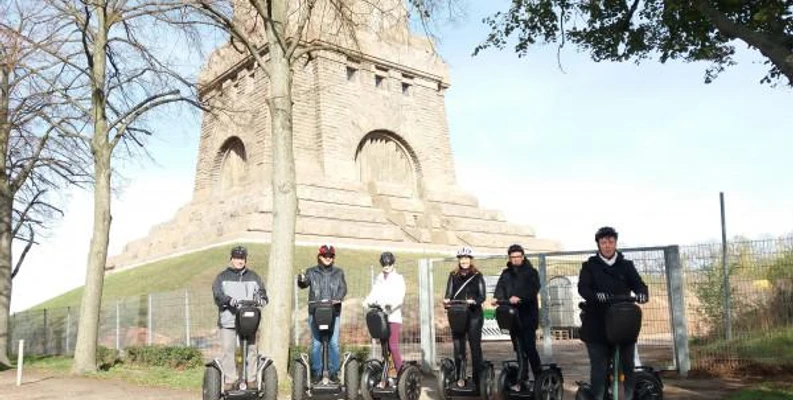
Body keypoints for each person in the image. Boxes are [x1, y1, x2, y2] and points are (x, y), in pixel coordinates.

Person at [578, 227, 649, 400]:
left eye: (611, 242)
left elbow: (639, 285)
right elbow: (583, 288)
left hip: (623, 324)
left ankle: (629, 396)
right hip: (597, 325)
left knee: (628, 366)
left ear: (615, 243)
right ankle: (599, 396)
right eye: (603, 242)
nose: (607, 246)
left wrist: (641, 294)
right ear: (598, 244)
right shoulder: (589, 266)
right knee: (599, 368)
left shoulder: (626, 265)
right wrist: (595, 296)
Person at [211, 245, 269, 390]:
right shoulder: (222, 277)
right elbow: (218, 294)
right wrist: (228, 300)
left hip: (248, 321)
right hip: (228, 320)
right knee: (228, 350)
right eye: (237, 258)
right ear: (231, 259)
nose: (239, 261)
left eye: (242, 258)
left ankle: (251, 380)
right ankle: (230, 380)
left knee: (251, 350)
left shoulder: (254, 276)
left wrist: (262, 299)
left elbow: (262, 292)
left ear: (245, 259)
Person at [491, 244, 542, 391]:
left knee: (529, 348)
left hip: (527, 316)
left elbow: (533, 290)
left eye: (518, 256)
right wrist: (497, 298)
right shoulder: (506, 273)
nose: (515, 259)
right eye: (512, 257)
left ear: (523, 257)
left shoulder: (531, 272)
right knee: (519, 349)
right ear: (509, 258)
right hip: (512, 317)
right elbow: (500, 289)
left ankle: (538, 378)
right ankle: (521, 380)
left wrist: (520, 297)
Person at [297, 244, 348, 382]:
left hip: (333, 313)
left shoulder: (339, 272)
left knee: (333, 343)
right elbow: (303, 284)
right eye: (325, 255)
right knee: (316, 344)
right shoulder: (311, 272)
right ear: (319, 256)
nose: (328, 258)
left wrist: (338, 298)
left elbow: (343, 288)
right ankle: (317, 372)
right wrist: (301, 279)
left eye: (330, 256)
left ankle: (333, 372)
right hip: (316, 312)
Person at [443, 246, 487, 389]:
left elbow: (482, 296)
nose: (464, 261)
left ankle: (477, 378)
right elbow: (449, 293)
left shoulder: (477, 275)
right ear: (459, 260)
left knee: (474, 347)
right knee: (458, 347)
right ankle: (460, 376)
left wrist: (474, 301)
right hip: (458, 314)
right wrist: (446, 300)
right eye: (461, 258)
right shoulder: (453, 275)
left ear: (470, 260)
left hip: (474, 316)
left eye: (466, 258)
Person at [363, 251, 406, 387]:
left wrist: (390, 305)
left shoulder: (399, 278)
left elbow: (400, 296)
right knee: (384, 348)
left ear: (392, 263)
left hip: (393, 317)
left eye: (389, 264)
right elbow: (374, 292)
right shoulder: (379, 278)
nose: (386, 266)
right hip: (381, 317)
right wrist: (367, 301)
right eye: (384, 264)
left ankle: (401, 375)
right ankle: (385, 376)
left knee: (393, 347)